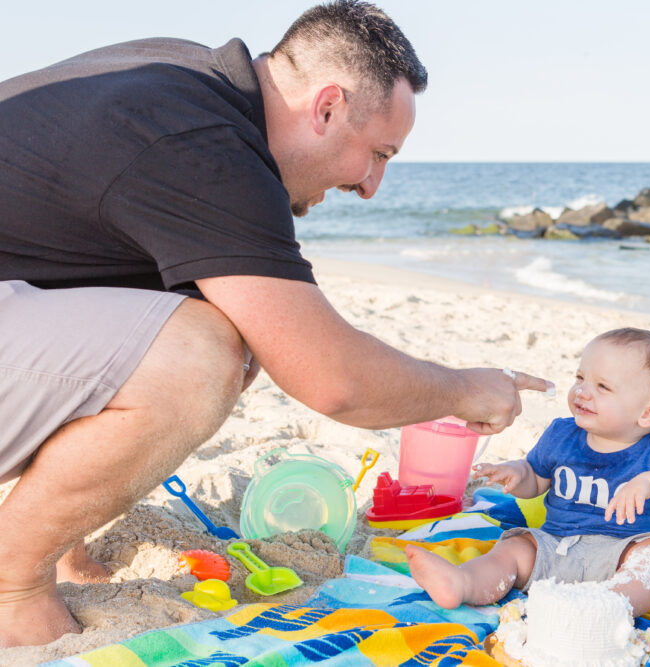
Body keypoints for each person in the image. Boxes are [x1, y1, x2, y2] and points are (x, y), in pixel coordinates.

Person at [0, 1, 549, 648]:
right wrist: (466, 390)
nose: (373, 186)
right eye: (377, 154)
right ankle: (12, 583)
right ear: (326, 107)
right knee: (198, 353)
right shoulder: (205, 148)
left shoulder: (181, 77)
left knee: (215, 328)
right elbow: (333, 379)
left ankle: (56, 540)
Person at [406, 328, 650, 617]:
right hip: (556, 546)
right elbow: (537, 478)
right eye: (580, 377)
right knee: (512, 549)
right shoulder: (562, 434)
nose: (582, 391)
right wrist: (517, 473)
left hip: (624, 553)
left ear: (648, 413)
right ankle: (462, 583)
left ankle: (608, 607)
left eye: (602, 386)